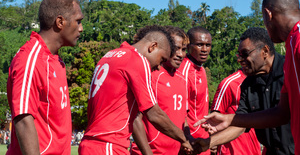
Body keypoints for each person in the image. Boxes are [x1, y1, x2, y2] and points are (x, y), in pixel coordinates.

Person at [78, 25, 193, 155]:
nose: (159, 67)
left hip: (91, 144)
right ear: (153, 47)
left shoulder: (110, 55)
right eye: (161, 60)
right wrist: (183, 138)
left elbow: (132, 116)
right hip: (109, 144)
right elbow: (154, 114)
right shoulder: (137, 60)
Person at [195, 27, 295, 154]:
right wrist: (208, 142)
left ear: (264, 51)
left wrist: (229, 119)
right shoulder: (248, 84)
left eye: (245, 54)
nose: (239, 60)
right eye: (239, 55)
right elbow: (240, 124)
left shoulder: (291, 71)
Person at [6, 0, 84, 155]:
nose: (81, 28)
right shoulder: (29, 60)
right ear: (60, 22)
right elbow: (23, 119)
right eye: (78, 21)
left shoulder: (56, 60)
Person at [130, 26, 189, 155]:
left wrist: (188, 140)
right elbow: (135, 118)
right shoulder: (150, 74)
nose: (180, 54)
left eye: (183, 50)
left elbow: (182, 117)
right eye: (176, 48)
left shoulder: (183, 79)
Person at [177, 26, 211, 155]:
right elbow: (180, 113)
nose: (204, 50)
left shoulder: (201, 69)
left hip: (203, 138)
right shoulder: (183, 71)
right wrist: (186, 139)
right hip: (191, 141)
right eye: (199, 45)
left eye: (208, 45)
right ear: (188, 46)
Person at [210, 68, 261, 155]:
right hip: (232, 150)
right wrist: (212, 142)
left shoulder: (260, 82)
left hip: (253, 149)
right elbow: (214, 118)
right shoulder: (229, 83)